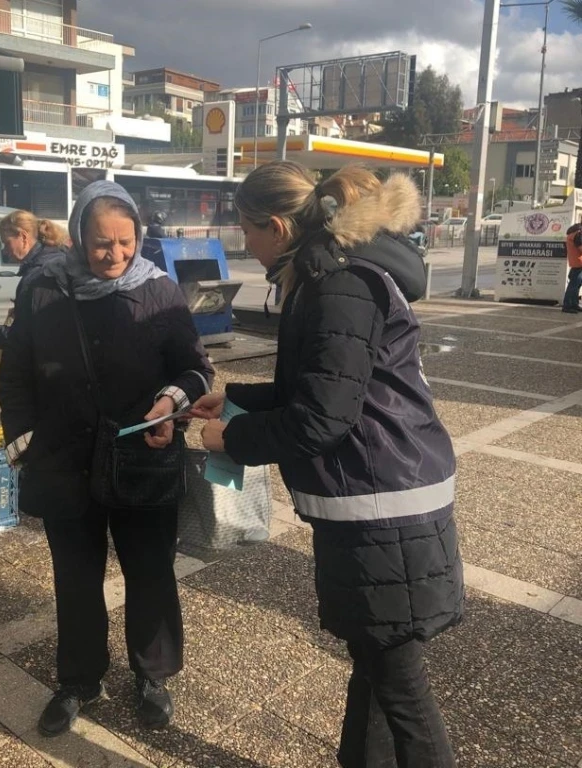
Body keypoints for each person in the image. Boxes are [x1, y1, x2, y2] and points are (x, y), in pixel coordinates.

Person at [191, 161, 462, 768]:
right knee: (376, 668)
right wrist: (235, 399)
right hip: (382, 501)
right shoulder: (332, 275)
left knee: (400, 688)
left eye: (247, 231)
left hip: (381, 511)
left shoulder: (338, 285)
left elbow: (321, 418)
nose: (245, 244)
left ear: (280, 226)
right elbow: (329, 386)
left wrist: (229, 439)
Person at [0, 181, 213, 736]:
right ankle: (79, 679)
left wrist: (170, 401)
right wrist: (20, 438)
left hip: (143, 454)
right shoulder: (43, 289)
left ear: (138, 236)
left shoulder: (160, 292)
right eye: (100, 243)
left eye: (124, 242)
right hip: (65, 459)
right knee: (74, 577)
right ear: (76, 237)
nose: (115, 255)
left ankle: (152, 675)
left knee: (149, 571)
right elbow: (15, 370)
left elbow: (194, 369)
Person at [0, 211, 68, 347]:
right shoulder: (57, 261)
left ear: (23, 237)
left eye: (7, 243)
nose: (5, 250)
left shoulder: (39, 276)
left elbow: (23, 336)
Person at [562, 222, 582, 313]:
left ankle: (574, 304)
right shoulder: (578, 235)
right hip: (578, 262)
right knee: (573, 285)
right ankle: (567, 306)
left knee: (576, 285)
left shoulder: (574, 233)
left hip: (577, 262)